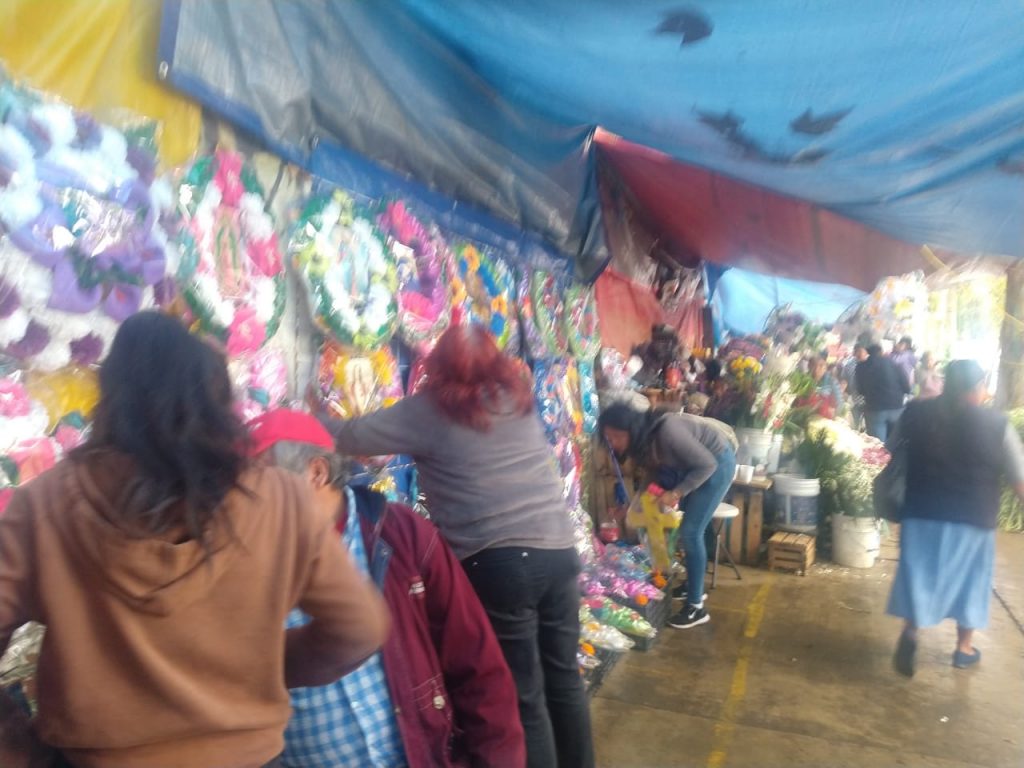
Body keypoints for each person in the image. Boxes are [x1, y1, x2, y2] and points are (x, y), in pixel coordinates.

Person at [0, 312, 390, 768]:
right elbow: (360, 628)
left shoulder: (43, 506)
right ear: (217, 399)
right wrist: (262, 664)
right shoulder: (280, 498)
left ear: (109, 398)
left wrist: (18, 748)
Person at [317, 325, 593, 768]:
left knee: (523, 695)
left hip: (500, 562)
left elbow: (351, 435)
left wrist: (299, 420)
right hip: (559, 550)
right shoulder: (516, 400)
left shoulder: (432, 410)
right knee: (564, 681)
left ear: (437, 366)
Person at [249, 409, 526, 768]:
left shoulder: (401, 535)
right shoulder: (244, 569)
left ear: (315, 473)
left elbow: (477, 663)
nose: (245, 504)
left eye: (257, 483)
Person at [887, 360, 1024, 677]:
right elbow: (1019, 479)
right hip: (973, 518)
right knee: (971, 581)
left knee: (919, 575)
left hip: (921, 511)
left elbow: (887, 450)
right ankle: (964, 649)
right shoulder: (996, 424)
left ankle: (910, 633)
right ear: (977, 388)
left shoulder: (915, 412)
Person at [598, 402, 737, 630]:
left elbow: (707, 465)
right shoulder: (644, 443)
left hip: (717, 465)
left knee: (691, 532)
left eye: (616, 436)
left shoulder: (668, 431)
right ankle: (694, 586)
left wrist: (676, 493)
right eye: (608, 438)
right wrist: (632, 507)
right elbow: (651, 478)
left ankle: (696, 608)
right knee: (690, 529)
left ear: (631, 429)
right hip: (695, 468)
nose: (613, 443)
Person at [855, 342, 911, 441]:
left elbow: (860, 390)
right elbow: (907, 387)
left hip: (875, 410)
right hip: (896, 407)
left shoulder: (861, 367)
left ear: (868, 352)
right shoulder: (894, 364)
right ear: (881, 352)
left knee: (878, 445)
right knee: (895, 443)